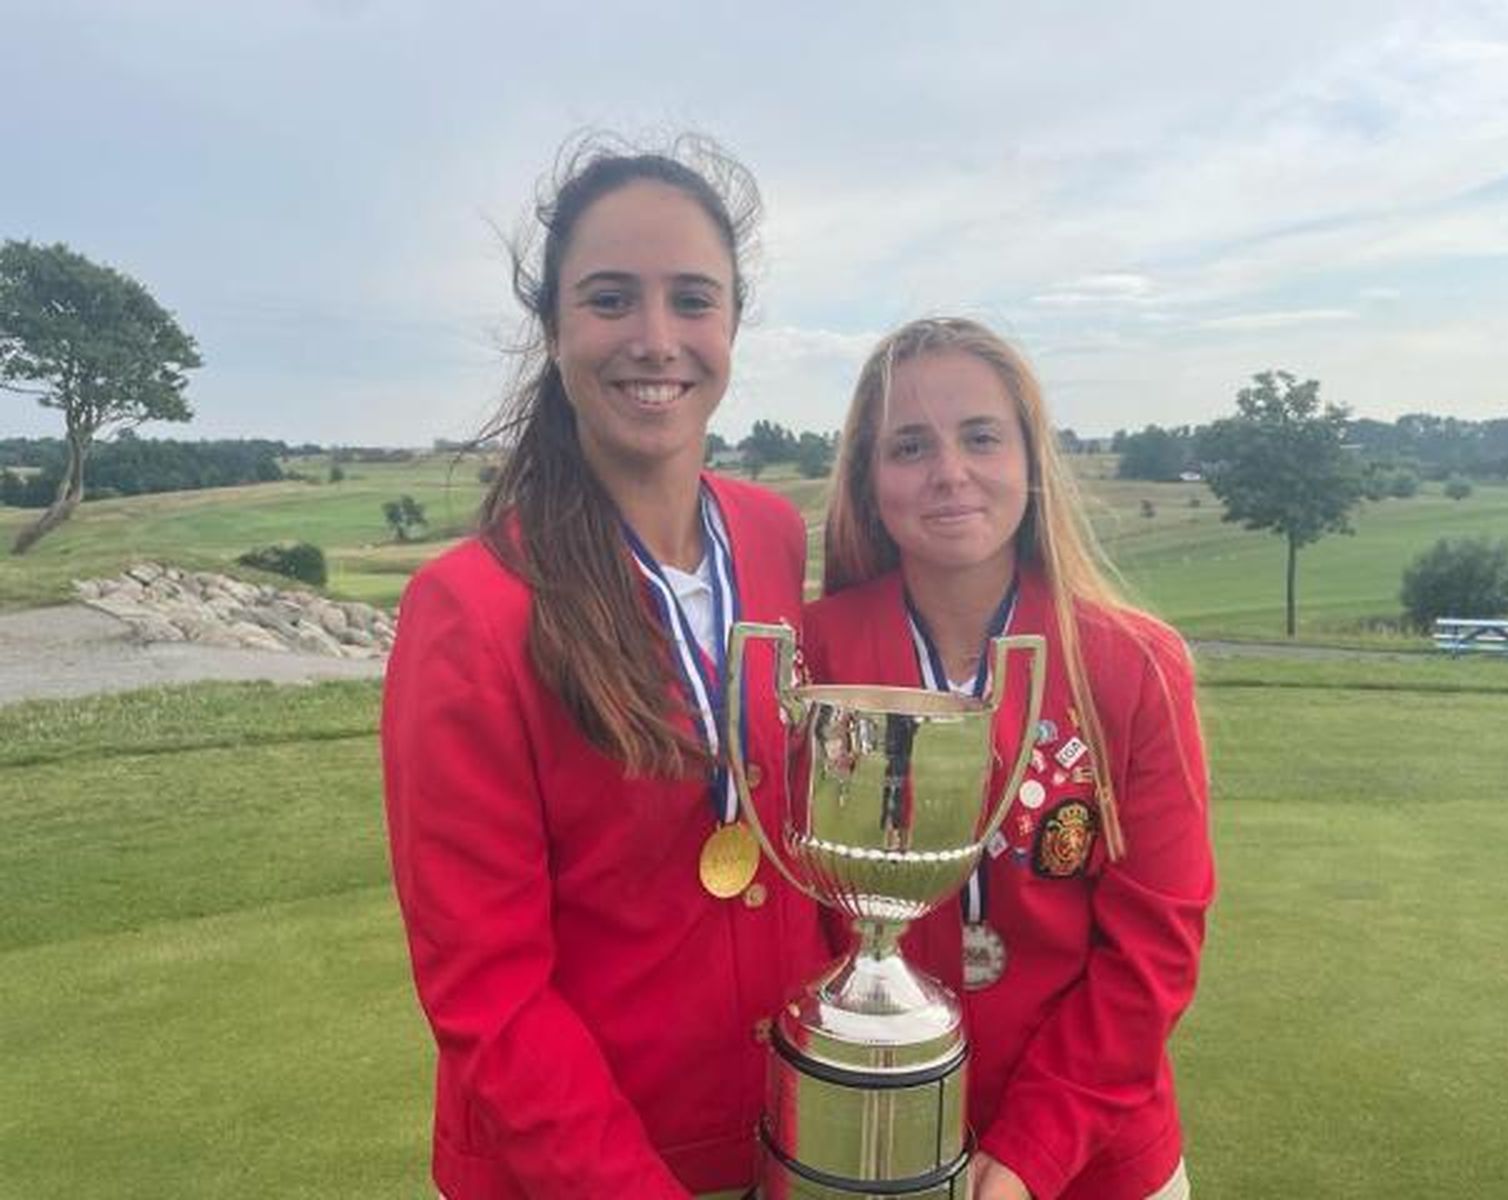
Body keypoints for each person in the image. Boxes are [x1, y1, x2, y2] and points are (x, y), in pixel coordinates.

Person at [381, 136, 831, 1199]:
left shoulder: (770, 536)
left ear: (731, 323)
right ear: (552, 328)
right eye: (610, 300)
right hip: (581, 1169)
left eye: (692, 299)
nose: (656, 339)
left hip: (782, 1135)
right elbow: (486, 994)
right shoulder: (470, 610)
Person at [804, 317, 1214, 1200]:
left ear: (1031, 461)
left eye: (981, 436)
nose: (950, 471)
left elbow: (1155, 949)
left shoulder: (1135, 664)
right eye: (909, 445)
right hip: (866, 1142)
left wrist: (1034, 1149)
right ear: (869, 481)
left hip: (1097, 1160)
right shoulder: (816, 655)